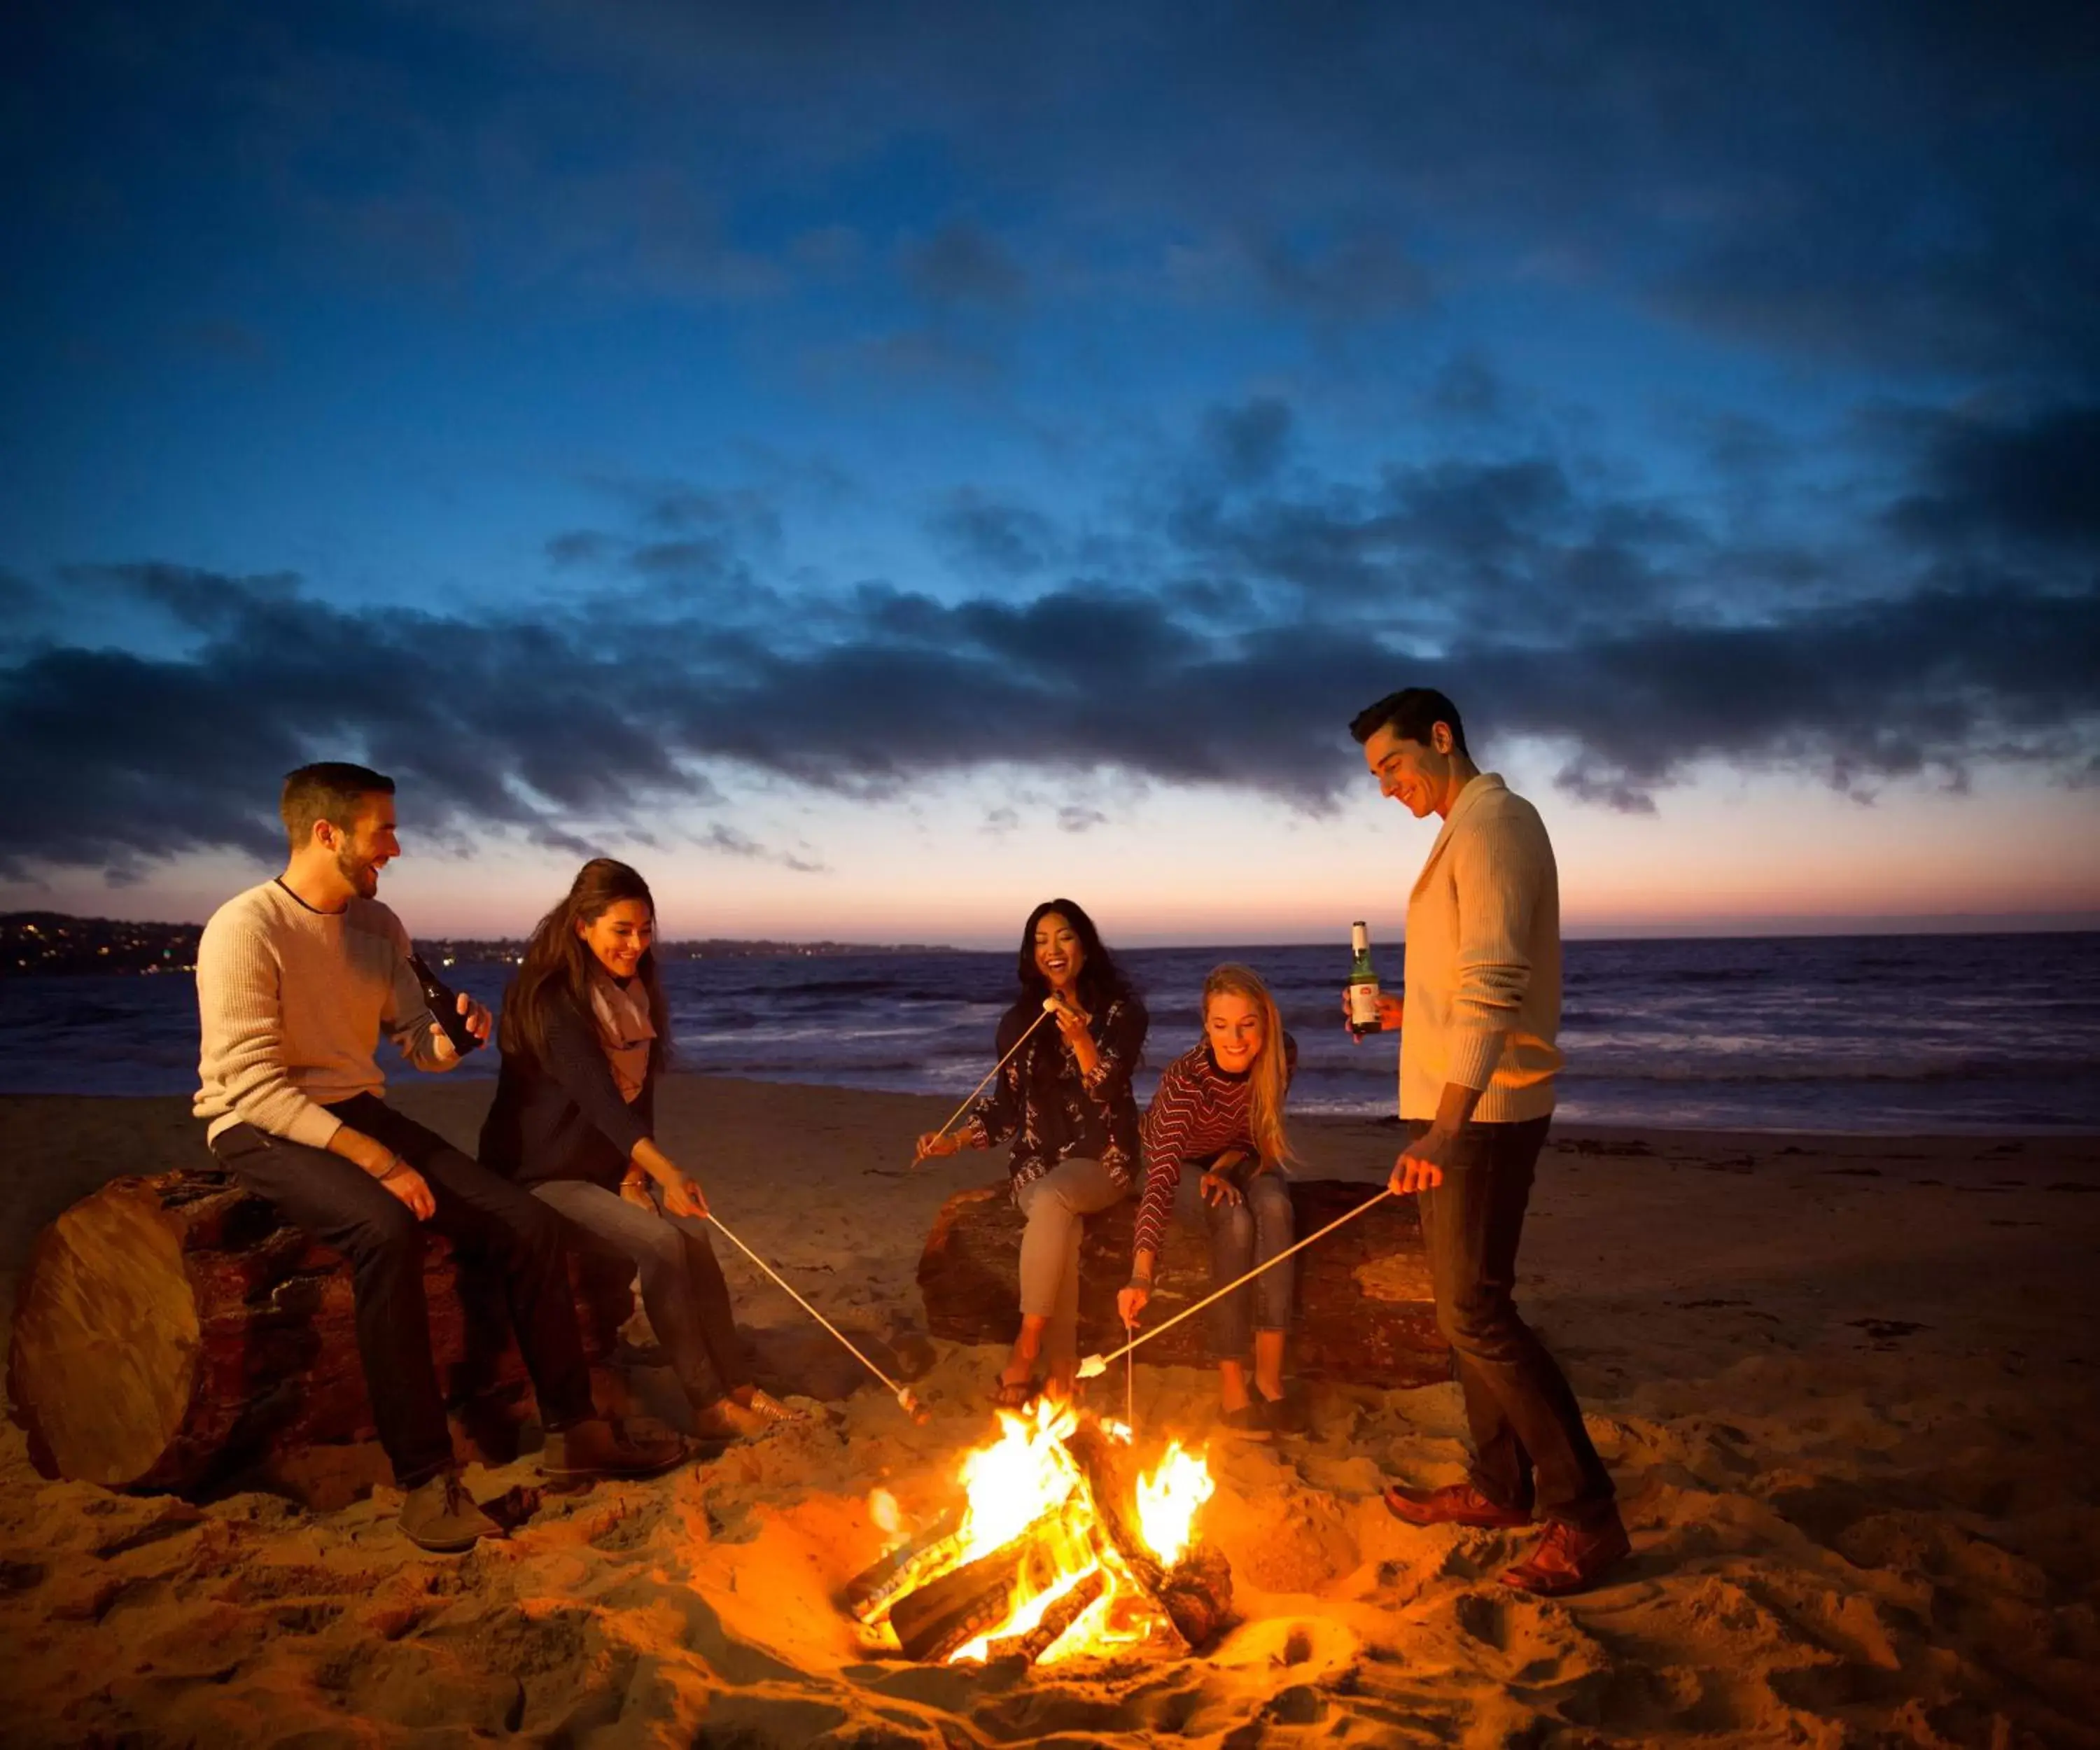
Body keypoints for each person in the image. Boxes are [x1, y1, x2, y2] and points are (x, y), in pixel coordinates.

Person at [194, 764, 684, 1555]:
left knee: (527, 1222)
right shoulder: (245, 928)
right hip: (256, 1122)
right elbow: (250, 1082)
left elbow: (419, 1046)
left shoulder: (379, 927)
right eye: (381, 828)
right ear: (327, 833)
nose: (395, 843)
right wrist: (376, 1160)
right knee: (386, 1230)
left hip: (355, 1105)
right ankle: (426, 1480)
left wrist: (456, 1035)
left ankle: (575, 1429)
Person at [1351, 687, 1628, 1596]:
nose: (1386, 788)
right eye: (1376, 776)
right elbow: (1461, 982)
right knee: (1462, 1311)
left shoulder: (1499, 823)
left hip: (1488, 1111)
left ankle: (1586, 1520)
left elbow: (1498, 984)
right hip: (1467, 1102)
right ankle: (1500, 1488)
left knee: (1478, 1313)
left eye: (1392, 765)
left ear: (1441, 738)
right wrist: (1401, 1012)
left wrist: (1445, 1123)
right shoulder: (1461, 830)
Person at [478, 858, 800, 1441]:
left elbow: (637, 1095)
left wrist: (635, 1178)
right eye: (621, 931)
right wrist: (669, 1172)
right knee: (659, 1246)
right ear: (583, 926)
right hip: (540, 1175)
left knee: (695, 1238)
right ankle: (707, 1404)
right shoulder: (552, 999)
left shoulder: (632, 993)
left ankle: (741, 1387)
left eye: (645, 930)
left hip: (603, 1170)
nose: (636, 945)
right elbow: (601, 1101)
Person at [914, 899, 1147, 1407]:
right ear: (1030, 954)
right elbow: (1004, 1110)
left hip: (1104, 1159)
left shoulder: (1121, 1014)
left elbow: (1107, 1091)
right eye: (1040, 941)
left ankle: (1028, 1345)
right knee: (1055, 1210)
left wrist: (1083, 1040)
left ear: (1084, 945)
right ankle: (1062, 1371)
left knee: (1056, 1201)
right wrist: (951, 1141)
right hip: (1036, 1168)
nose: (1052, 949)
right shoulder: (1019, 1022)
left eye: (1063, 937)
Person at [1117, 964, 1303, 1438]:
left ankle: (1268, 1378)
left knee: (1276, 1207)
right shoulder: (1186, 1082)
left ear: (1266, 1021)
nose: (1235, 1038)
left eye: (1247, 1024)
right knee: (1236, 1220)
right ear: (1206, 1026)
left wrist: (1226, 1165)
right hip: (1176, 1162)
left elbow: (1253, 1130)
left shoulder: (1281, 1056)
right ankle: (1231, 1385)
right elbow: (1159, 1178)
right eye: (1221, 1026)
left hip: (1237, 1155)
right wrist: (1140, 1274)